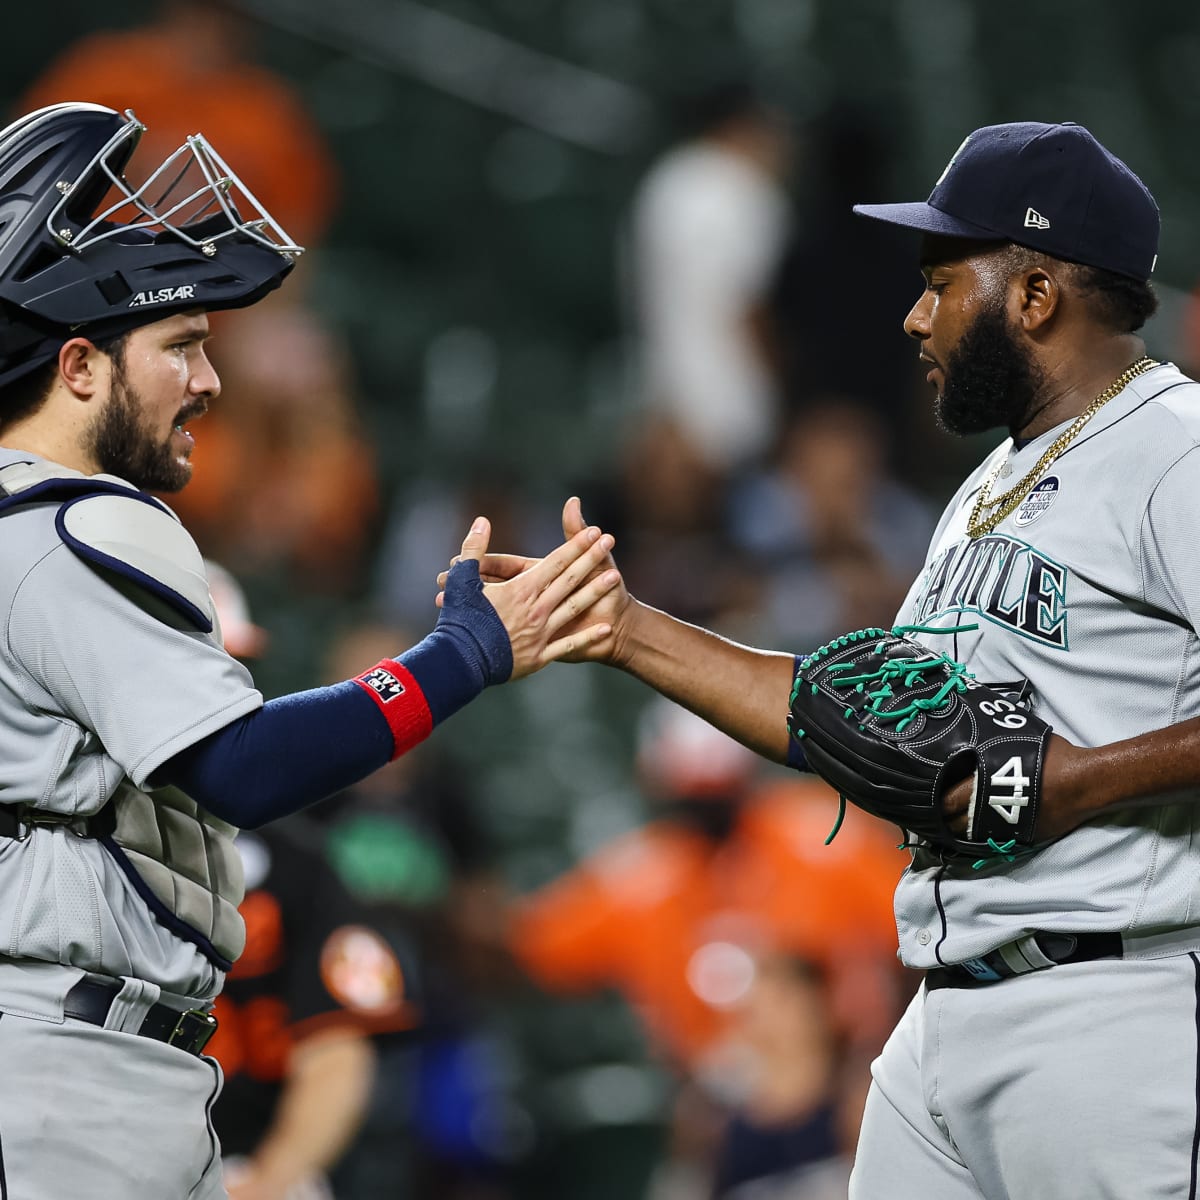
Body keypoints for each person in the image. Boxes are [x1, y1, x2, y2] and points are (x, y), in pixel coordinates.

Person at [461, 121, 1200, 1197]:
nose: (914, 316)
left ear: (1036, 295)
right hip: (940, 1019)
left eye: (944, 282)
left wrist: (1081, 781)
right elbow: (846, 721)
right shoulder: (983, 492)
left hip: (1109, 1010)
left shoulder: (1174, 448)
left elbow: (1041, 782)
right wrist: (622, 628)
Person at [0, 103, 619, 1200]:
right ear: (81, 366)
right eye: (181, 347)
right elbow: (242, 767)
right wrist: (466, 656)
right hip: (66, 1072)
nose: (210, 383)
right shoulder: (75, 520)